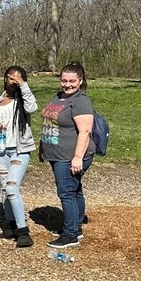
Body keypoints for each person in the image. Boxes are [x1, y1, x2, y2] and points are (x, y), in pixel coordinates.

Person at [40, 62, 96, 248]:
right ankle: (76, 227)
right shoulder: (58, 97)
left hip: (70, 156)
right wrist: (43, 145)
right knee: (74, 189)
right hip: (57, 153)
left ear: (80, 81)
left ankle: (70, 234)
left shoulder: (80, 101)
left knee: (66, 192)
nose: (67, 84)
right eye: (64, 80)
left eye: (72, 81)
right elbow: (51, 122)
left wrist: (78, 157)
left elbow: (85, 131)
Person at [0, 66, 37, 248]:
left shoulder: (24, 101)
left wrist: (23, 85)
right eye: (11, 78)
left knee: (11, 187)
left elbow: (32, 107)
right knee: (3, 188)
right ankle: (10, 225)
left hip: (19, 150)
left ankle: (23, 231)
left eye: (18, 78)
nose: (14, 81)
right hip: (0, 149)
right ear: (5, 79)